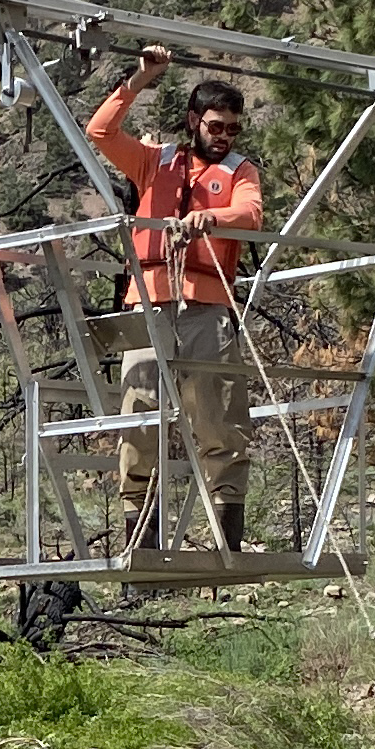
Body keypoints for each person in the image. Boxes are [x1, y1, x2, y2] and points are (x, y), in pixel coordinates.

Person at [83, 46, 264, 551]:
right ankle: (139, 539)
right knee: (139, 417)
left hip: (207, 307)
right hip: (149, 303)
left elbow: (250, 214)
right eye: (215, 125)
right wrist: (141, 78)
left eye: (232, 127)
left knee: (218, 418)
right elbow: (99, 132)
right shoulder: (154, 162)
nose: (224, 135)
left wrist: (214, 217)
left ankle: (228, 540)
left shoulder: (239, 171)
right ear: (193, 121)